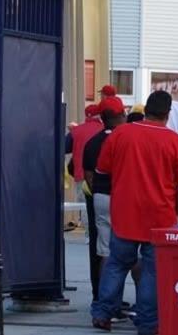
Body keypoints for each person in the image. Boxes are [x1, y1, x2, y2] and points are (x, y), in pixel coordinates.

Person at [90, 91, 178, 334]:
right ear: (168, 113)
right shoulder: (176, 142)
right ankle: (148, 323)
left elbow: (102, 169)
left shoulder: (121, 134)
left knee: (116, 264)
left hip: (124, 212)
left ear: (145, 109)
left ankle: (103, 313)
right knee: (153, 271)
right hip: (160, 217)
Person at [81, 96, 129, 317]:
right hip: (123, 198)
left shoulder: (92, 143)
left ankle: (102, 300)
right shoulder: (127, 139)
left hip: (100, 197)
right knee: (132, 252)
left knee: (104, 252)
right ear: (121, 115)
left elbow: (90, 177)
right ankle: (119, 303)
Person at [67, 94, 107, 302]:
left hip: (83, 177)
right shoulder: (103, 132)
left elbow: (65, 149)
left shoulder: (77, 131)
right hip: (104, 185)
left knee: (84, 207)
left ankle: (87, 233)